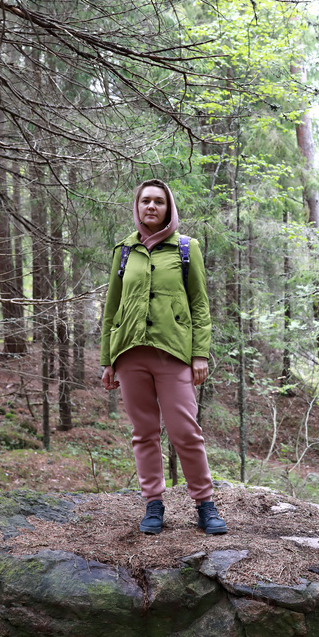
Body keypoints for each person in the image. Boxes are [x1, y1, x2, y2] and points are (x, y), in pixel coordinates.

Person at [100, 178, 226, 535]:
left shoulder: (187, 249)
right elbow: (112, 307)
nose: (151, 206)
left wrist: (199, 354)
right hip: (129, 353)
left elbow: (200, 305)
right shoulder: (124, 251)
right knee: (143, 433)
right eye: (145, 201)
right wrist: (108, 359)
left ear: (168, 207)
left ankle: (205, 504)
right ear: (137, 207)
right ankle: (153, 505)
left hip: (174, 353)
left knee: (185, 431)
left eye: (158, 201)